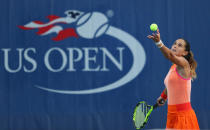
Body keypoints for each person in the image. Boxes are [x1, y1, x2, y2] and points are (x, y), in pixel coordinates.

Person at [147, 29, 200, 129]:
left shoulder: (184, 64)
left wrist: (159, 42)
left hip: (183, 117)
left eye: (180, 45)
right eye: (174, 44)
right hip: (171, 116)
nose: (175, 46)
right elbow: (170, 85)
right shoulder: (174, 67)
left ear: (185, 53)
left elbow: (170, 55)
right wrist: (163, 96)